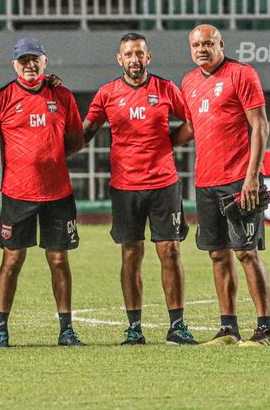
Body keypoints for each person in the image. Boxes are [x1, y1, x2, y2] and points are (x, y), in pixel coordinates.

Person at [83, 33, 197, 346]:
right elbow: (86, 131)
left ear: (148, 57)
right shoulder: (107, 94)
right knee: (131, 255)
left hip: (163, 184)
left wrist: (168, 143)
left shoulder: (165, 88)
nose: (134, 60)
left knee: (170, 252)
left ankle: (177, 325)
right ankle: (134, 327)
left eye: (139, 54)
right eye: (128, 54)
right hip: (125, 186)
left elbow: (191, 121)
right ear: (119, 59)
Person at [172, 24, 270, 346]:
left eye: (208, 43)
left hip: (238, 179)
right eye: (195, 45)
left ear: (221, 44)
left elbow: (260, 126)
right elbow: (190, 126)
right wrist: (158, 143)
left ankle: (265, 329)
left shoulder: (242, 74)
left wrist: (252, 177)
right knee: (218, 255)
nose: (201, 49)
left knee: (246, 253)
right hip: (206, 180)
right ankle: (228, 328)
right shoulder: (188, 82)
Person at [0, 36, 86, 347]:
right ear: (14, 65)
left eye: (35, 59)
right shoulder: (0, 99)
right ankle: (1, 329)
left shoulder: (62, 95)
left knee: (58, 260)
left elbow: (77, 138)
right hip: (18, 193)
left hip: (57, 193)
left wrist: (51, 156)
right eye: (23, 60)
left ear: (45, 62)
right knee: (12, 259)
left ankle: (66, 330)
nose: (30, 65)